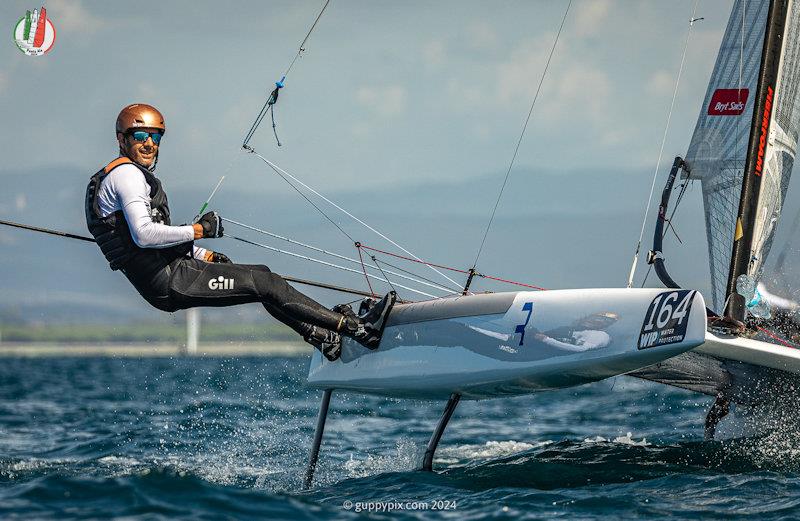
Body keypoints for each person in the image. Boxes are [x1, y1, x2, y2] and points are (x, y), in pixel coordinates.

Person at [85, 103, 394, 361]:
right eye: (140, 136)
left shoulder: (122, 176)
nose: (149, 144)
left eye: (155, 137)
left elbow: (152, 235)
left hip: (172, 271)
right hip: (168, 280)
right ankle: (359, 330)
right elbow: (144, 235)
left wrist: (202, 252)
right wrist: (198, 230)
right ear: (121, 139)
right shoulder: (126, 175)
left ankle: (323, 338)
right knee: (264, 281)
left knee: (260, 278)